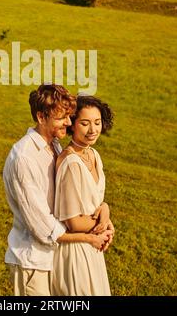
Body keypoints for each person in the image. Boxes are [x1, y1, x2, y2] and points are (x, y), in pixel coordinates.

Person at [3, 85, 112, 296]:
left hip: (52, 257)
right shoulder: (24, 158)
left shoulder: (53, 146)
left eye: (69, 117)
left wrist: (104, 214)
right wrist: (90, 237)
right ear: (41, 117)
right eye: (62, 117)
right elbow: (43, 228)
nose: (69, 123)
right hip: (32, 261)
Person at [51, 95, 115, 296]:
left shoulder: (93, 155)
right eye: (85, 123)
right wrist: (105, 225)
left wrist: (105, 209)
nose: (92, 130)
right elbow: (74, 222)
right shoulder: (71, 163)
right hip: (77, 251)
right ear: (72, 124)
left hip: (93, 247)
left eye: (97, 123)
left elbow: (94, 200)